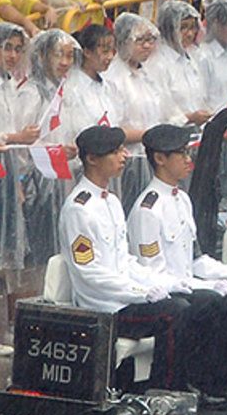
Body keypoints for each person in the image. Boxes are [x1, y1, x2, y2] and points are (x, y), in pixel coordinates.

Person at [59, 124, 204, 381]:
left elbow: (125, 262)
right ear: (92, 159)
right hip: (104, 306)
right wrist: (140, 292)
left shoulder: (111, 201)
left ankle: (189, 381)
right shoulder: (79, 209)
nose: (124, 156)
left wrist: (166, 283)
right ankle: (166, 387)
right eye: (115, 152)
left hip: (125, 299)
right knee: (175, 312)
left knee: (190, 301)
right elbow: (89, 272)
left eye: (122, 150)